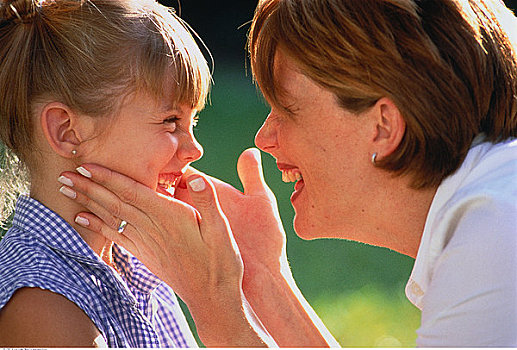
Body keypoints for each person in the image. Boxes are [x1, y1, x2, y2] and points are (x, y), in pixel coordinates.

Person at [55, 0, 516, 347]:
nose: (264, 138)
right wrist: (261, 279)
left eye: (287, 110)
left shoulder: (496, 236)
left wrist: (215, 300)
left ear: (383, 127)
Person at [0, 0, 269, 347]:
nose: (195, 150)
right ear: (66, 130)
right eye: (171, 121)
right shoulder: (44, 303)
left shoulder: (139, 266)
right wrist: (215, 301)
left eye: (194, 121)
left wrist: (254, 279)